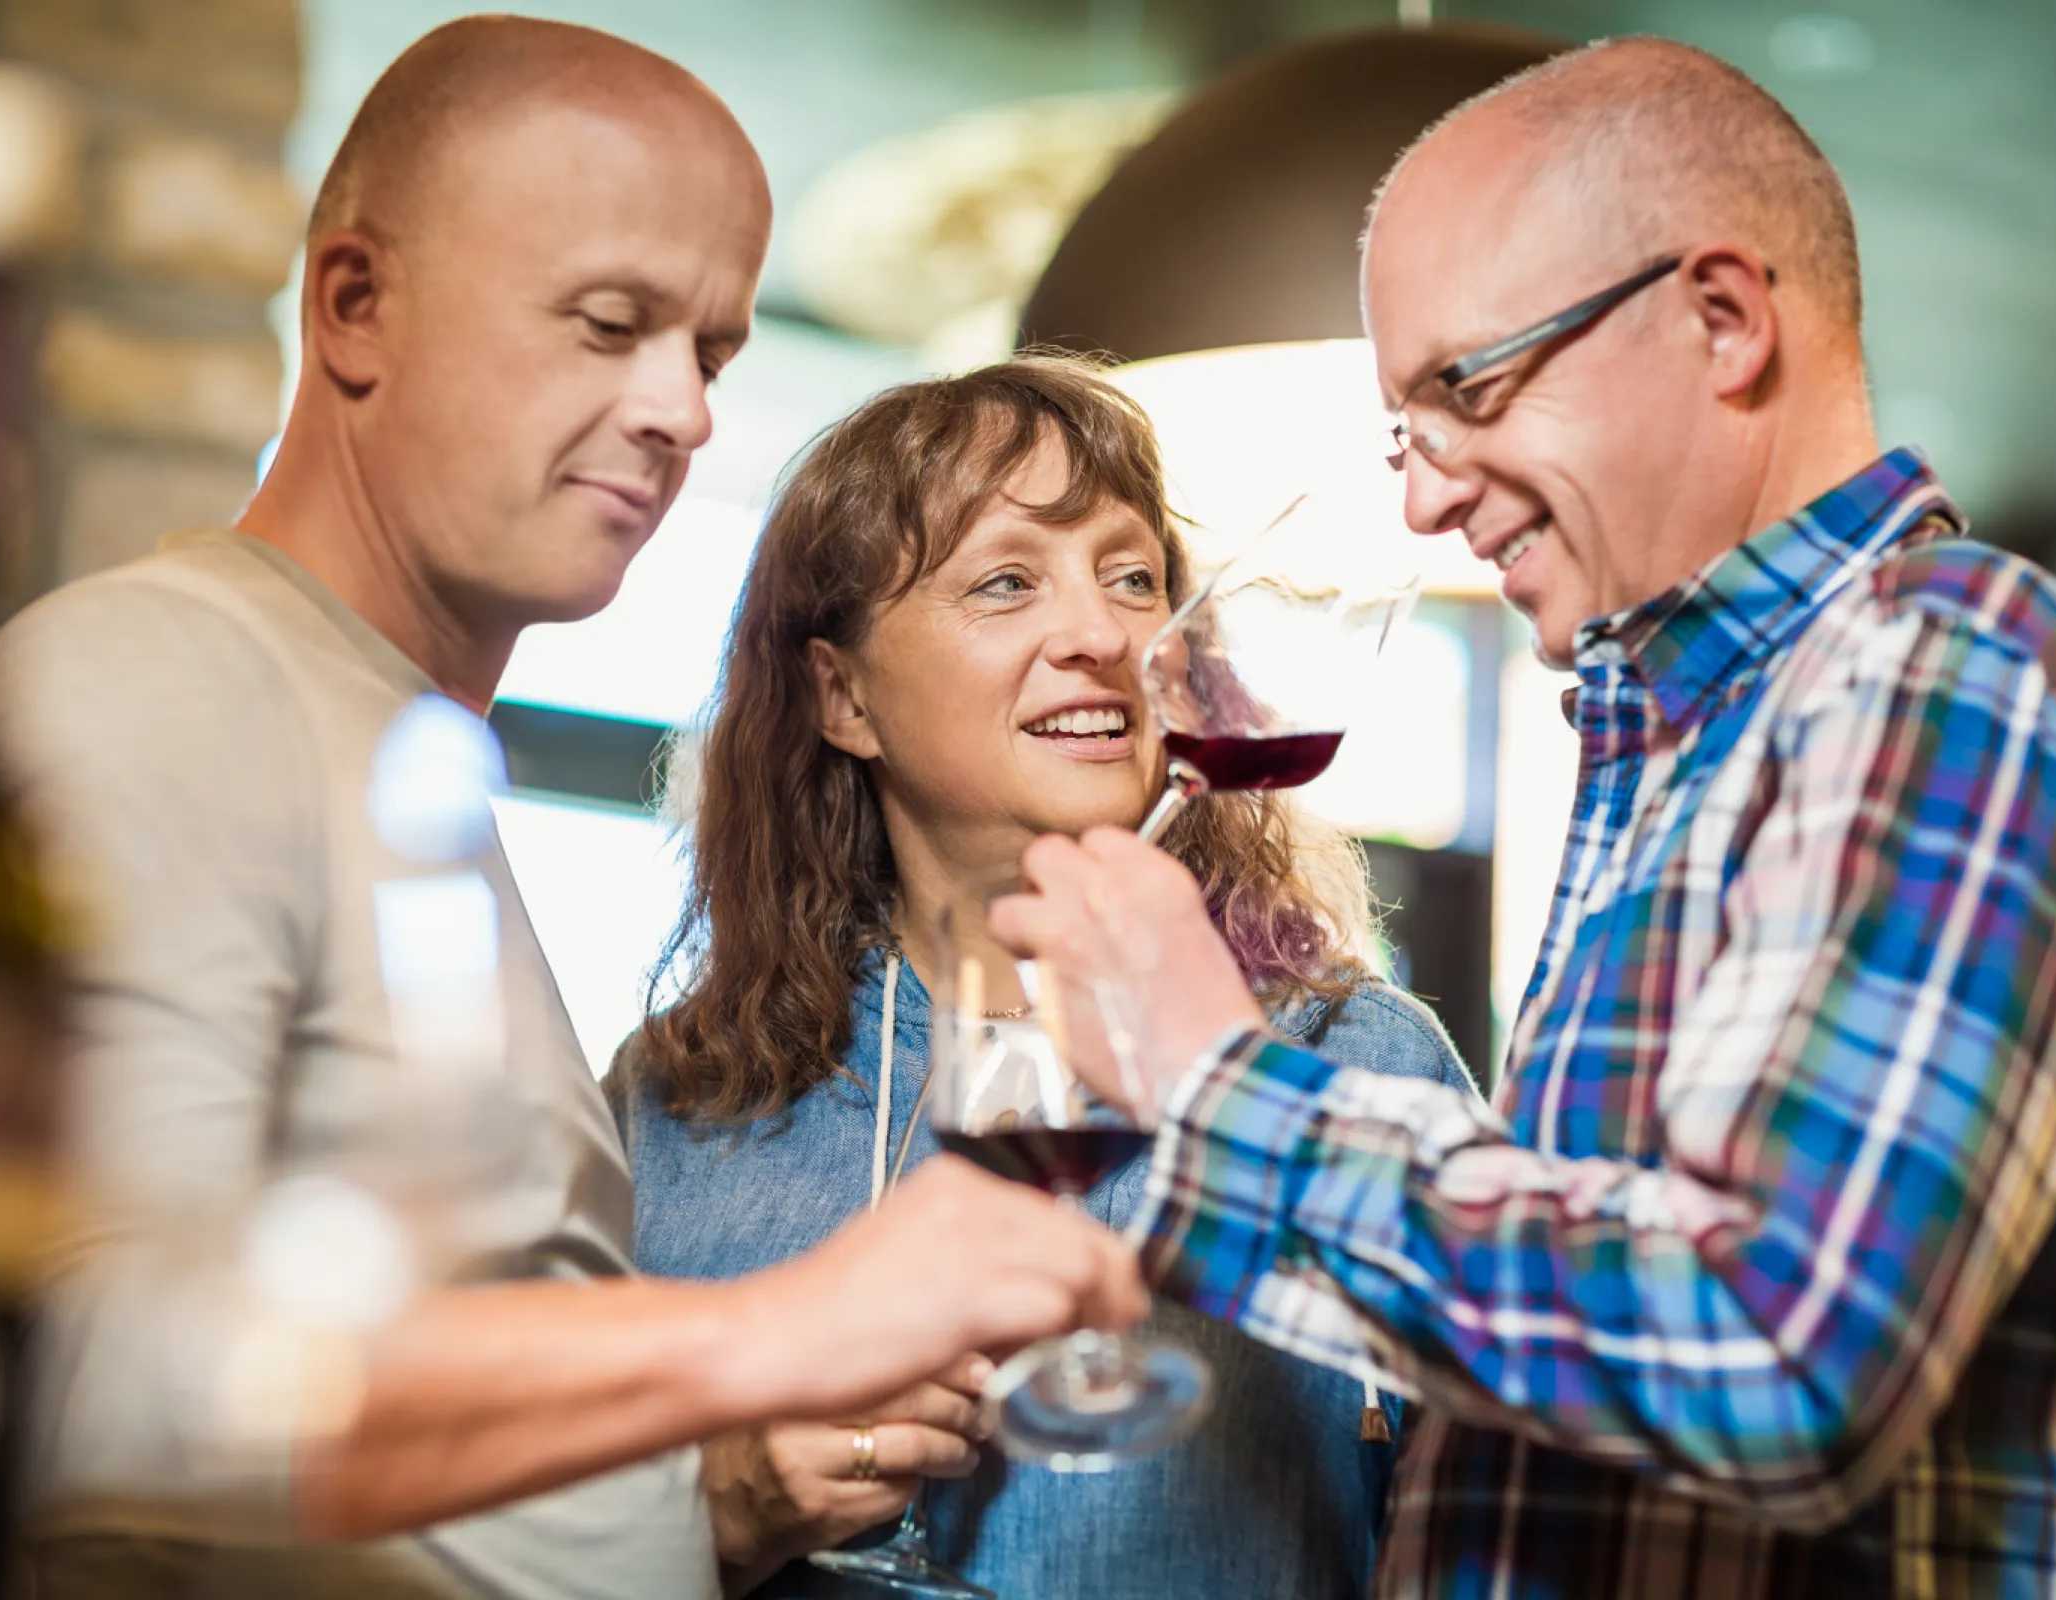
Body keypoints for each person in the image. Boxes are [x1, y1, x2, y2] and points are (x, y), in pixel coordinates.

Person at [0, 19, 1143, 1600]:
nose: (682, 410)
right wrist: (764, 1333)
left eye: (714, 351)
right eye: (609, 325)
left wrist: (714, 1502)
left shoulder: (392, 752)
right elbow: (80, 1393)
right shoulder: (163, 674)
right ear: (353, 306)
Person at [989, 36, 2056, 1599]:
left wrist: (1211, 1074)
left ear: (1719, 322)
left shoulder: (1943, 663)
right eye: (1408, 429)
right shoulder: (1686, 736)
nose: (1422, 499)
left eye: (1462, 390)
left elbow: (1768, 1357)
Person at [610, 354, 1480, 1598]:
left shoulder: (1349, 1059)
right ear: (841, 695)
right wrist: (714, 1517)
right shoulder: (674, 1100)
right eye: (1007, 580)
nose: (1105, 635)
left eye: (1134, 579)